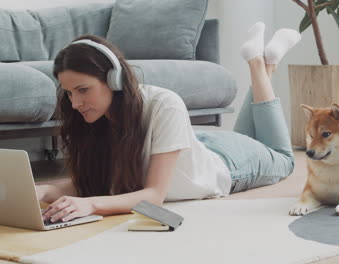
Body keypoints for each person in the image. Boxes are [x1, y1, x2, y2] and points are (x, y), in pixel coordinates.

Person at [37, 22, 302, 223]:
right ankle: (266, 64)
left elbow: (154, 196)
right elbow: (92, 181)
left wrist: (92, 205)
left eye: (83, 90)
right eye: (69, 93)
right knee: (257, 139)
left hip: (229, 164)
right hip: (190, 147)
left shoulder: (164, 103)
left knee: (283, 159)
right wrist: (46, 190)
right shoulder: (91, 118)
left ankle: (258, 64)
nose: (74, 103)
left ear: (113, 79)